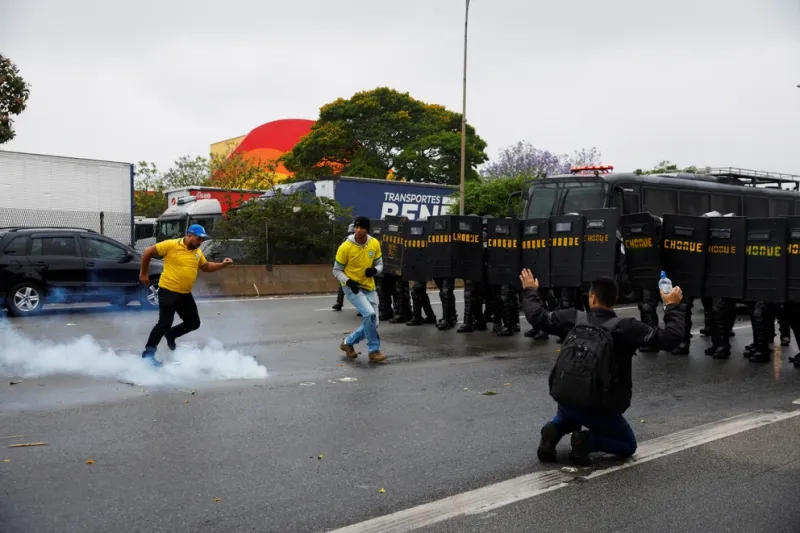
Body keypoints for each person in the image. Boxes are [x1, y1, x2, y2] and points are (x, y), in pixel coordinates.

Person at [520, 269, 684, 466]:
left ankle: (554, 429)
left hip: (567, 398)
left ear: (592, 297)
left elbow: (536, 316)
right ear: (614, 299)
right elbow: (671, 338)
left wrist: (530, 290)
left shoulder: (573, 317)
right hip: (602, 406)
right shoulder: (627, 327)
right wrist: (672, 305)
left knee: (571, 412)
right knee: (627, 444)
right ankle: (587, 441)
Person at [139, 224, 233, 367]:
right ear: (189, 235)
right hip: (168, 290)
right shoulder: (170, 245)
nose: (200, 242)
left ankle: (171, 334)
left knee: (194, 323)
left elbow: (206, 267)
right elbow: (147, 252)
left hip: (184, 294)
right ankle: (148, 354)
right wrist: (143, 273)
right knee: (164, 323)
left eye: (202, 240)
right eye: (199, 239)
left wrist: (222, 265)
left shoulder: (197, 253)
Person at [333, 216, 387, 362]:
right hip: (353, 288)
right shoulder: (346, 246)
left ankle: (348, 343)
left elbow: (380, 264)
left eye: (361, 227)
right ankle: (374, 350)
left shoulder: (374, 243)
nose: (358, 230)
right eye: (356, 227)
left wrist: (375, 271)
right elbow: (336, 270)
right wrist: (348, 281)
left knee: (374, 323)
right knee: (369, 315)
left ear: (367, 229)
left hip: (369, 286)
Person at [332, 223, 355, 311]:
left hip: (357, 266)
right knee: (342, 284)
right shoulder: (346, 240)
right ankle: (339, 303)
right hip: (347, 265)